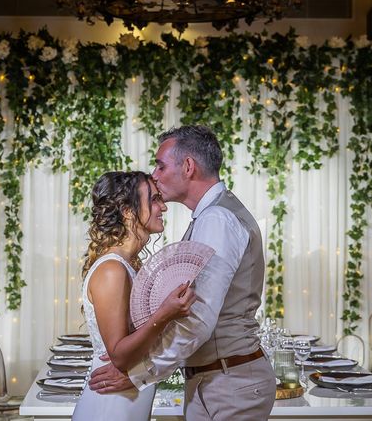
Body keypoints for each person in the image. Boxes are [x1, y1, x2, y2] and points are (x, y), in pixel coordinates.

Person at [89, 125, 276, 420]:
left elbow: (198, 318)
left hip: (230, 382)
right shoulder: (208, 217)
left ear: (188, 166)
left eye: (161, 165)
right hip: (215, 378)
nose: (155, 174)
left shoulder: (217, 219)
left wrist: (142, 371)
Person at [72, 171, 197, 421]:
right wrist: (164, 315)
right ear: (127, 210)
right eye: (154, 199)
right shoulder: (112, 270)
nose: (163, 207)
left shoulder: (130, 265)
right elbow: (119, 356)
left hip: (129, 402)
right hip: (110, 407)